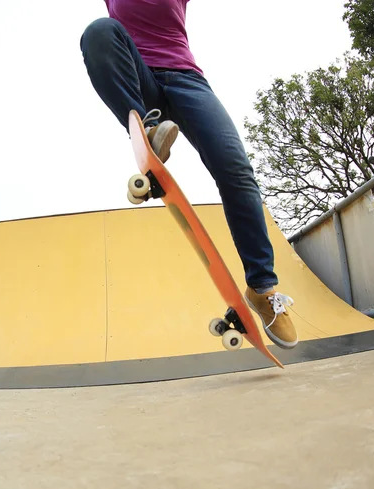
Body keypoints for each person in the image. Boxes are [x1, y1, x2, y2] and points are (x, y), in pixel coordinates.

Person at [80, 0, 298, 349]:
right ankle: (147, 128)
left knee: (236, 170)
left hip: (187, 80)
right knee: (99, 33)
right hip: (139, 79)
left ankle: (261, 287)